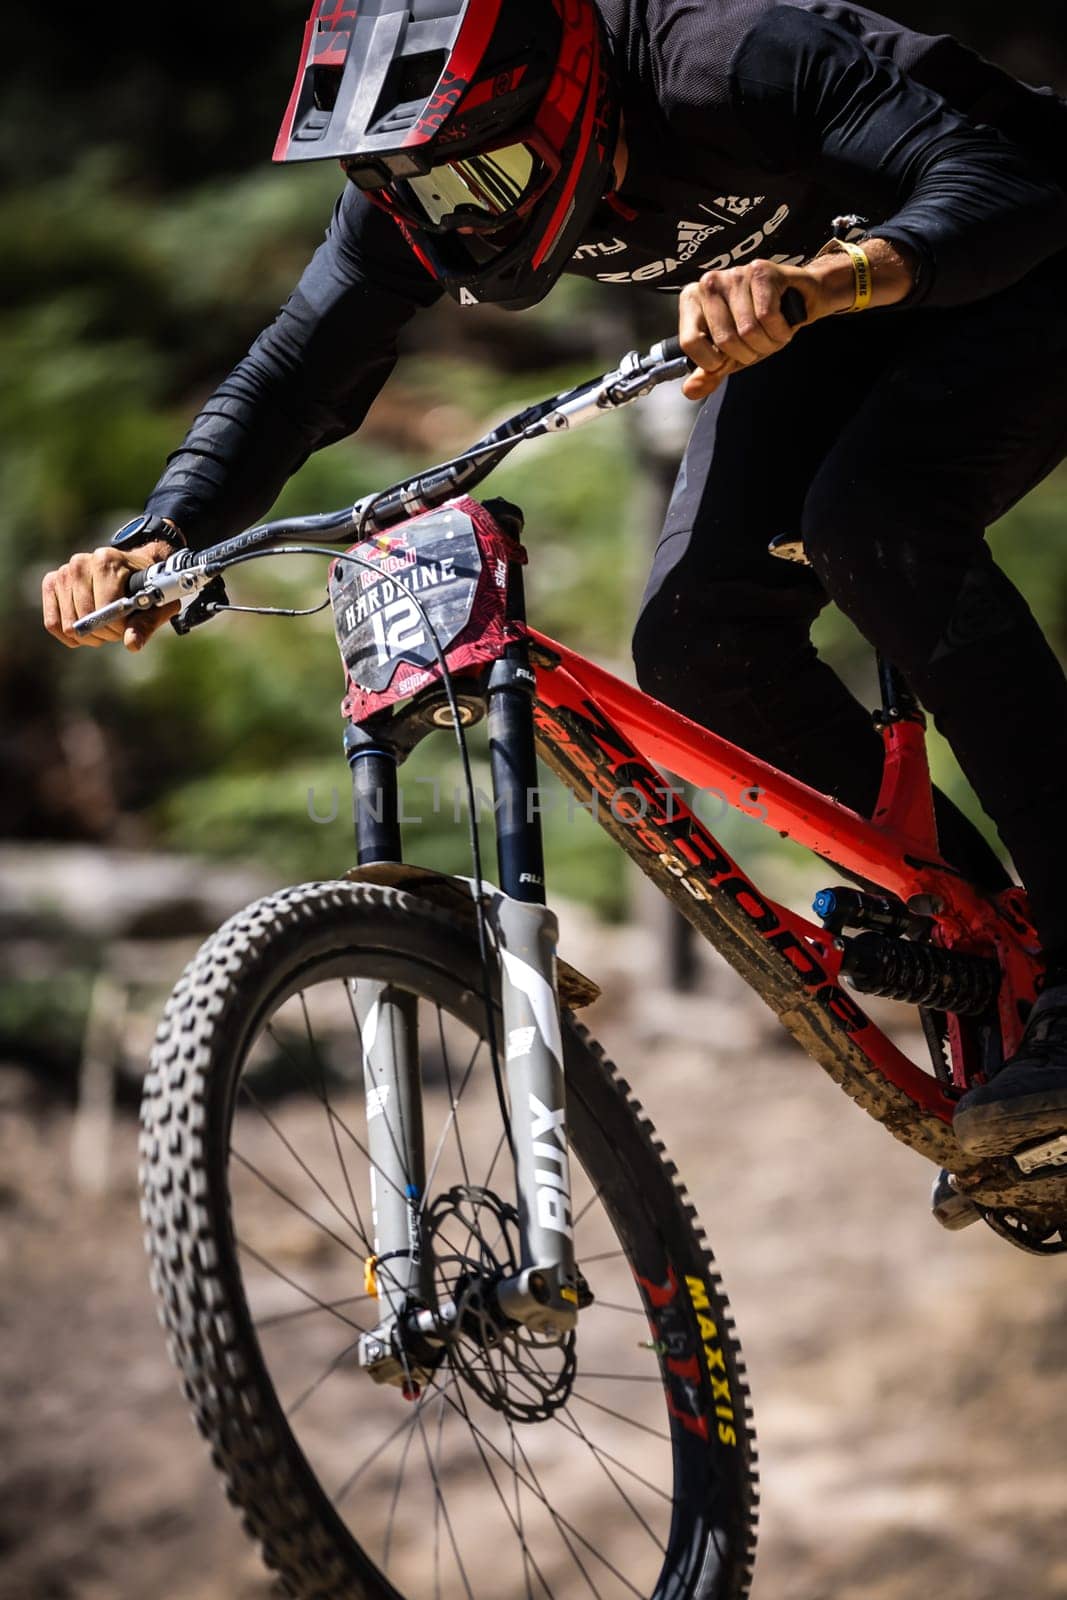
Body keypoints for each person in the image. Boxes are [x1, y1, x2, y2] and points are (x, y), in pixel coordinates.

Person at [41, 0, 1067, 1163]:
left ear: (566, 94)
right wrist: (158, 535)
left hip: (1012, 250)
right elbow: (289, 378)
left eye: (485, 177)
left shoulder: (723, 65)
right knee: (696, 643)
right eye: (419, 194)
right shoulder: (416, 184)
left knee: (872, 519)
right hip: (818, 307)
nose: (457, 221)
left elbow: (1015, 181)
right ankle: (1006, 956)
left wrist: (826, 280)